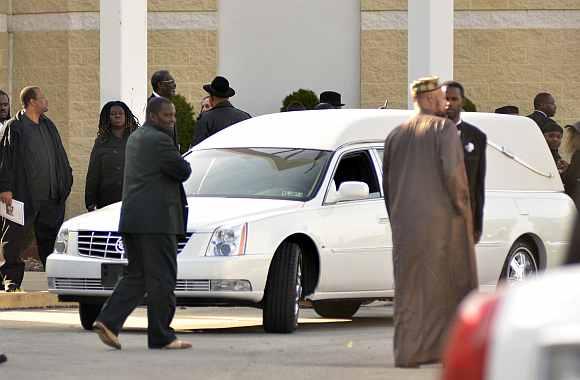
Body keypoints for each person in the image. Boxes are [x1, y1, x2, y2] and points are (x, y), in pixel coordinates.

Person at [382, 76, 478, 368]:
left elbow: (387, 185)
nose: (443, 103)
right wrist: (465, 212)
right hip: (442, 226)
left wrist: (397, 219)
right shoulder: (444, 129)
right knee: (449, 289)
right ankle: (443, 352)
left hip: (404, 226)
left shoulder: (395, 134)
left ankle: (408, 353)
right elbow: (454, 177)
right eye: (438, 98)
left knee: (409, 291)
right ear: (425, 99)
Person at [93, 97, 192, 350]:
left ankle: (108, 321)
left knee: (137, 276)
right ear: (152, 115)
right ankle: (162, 335)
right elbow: (182, 170)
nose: (171, 120)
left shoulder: (136, 137)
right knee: (163, 279)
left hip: (134, 219)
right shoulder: (159, 140)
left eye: (173, 116)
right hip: (156, 222)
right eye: (167, 116)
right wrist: (178, 150)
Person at [0, 86, 73, 291]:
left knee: (51, 240)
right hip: (23, 196)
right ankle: (11, 281)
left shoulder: (48, 125)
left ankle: (56, 282)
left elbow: (59, 154)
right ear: (32, 102)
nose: (46, 101)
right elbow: (5, 159)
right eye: (43, 98)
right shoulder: (15, 127)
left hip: (51, 197)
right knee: (14, 239)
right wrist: (5, 188)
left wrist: (66, 179)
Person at [443, 81, 487, 243]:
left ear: (462, 101)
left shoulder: (477, 137)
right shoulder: (426, 134)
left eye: (454, 99)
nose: (449, 103)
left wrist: (477, 226)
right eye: (445, 98)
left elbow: (478, 185)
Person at [85, 101, 140, 211]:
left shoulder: (137, 139)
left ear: (126, 116)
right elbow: (93, 173)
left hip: (134, 197)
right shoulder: (101, 142)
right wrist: (90, 202)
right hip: (107, 199)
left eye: (120, 113)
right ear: (108, 118)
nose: (117, 116)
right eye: (113, 114)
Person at [190, 76, 251, 147]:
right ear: (227, 97)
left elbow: (197, 147)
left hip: (214, 157)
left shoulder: (206, 118)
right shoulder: (245, 117)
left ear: (211, 98)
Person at [561, 122, 580, 206]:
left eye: (574, 135)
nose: (571, 138)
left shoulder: (578, 154)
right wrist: (569, 167)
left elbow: (571, 179)